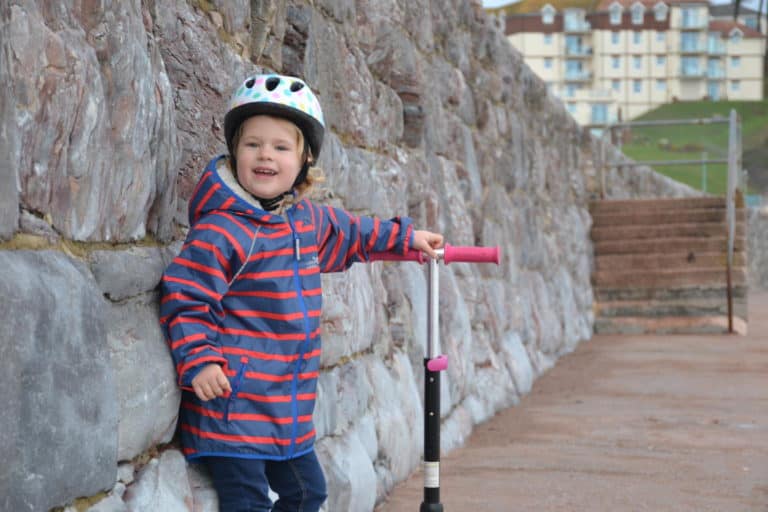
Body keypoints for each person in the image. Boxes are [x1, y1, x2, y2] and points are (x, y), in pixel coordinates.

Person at [160, 73, 444, 512]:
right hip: (232, 412)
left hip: (285, 414)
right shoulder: (222, 229)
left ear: (304, 158)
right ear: (235, 150)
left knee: (309, 492)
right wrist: (199, 360)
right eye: (252, 144)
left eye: (280, 147)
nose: (264, 156)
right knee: (248, 501)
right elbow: (186, 296)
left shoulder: (305, 221)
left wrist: (407, 240)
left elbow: (355, 234)